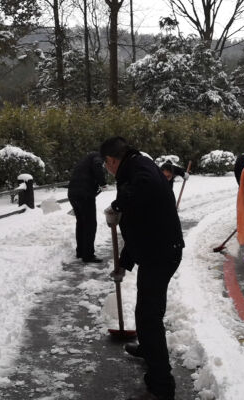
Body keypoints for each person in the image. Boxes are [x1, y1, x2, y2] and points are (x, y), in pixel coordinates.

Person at [100, 137, 184, 400]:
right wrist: (125, 263)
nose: (107, 169)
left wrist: (117, 206)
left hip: (161, 253)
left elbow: (143, 188)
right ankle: (148, 350)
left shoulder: (139, 169)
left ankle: (162, 385)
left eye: (106, 164)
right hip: (155, 250)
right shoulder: (137, 166)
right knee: (145, 310)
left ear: (111, 160)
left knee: (150, 317)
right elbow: (140, 225)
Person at [67, 152, 106, 263]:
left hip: (73, 193)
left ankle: (80, 252)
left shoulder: (85, 160)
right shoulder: (97, 157)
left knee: (81, 223)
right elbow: (97, 166)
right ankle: (88, 255)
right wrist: (103, 183)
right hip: (84, 194)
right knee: (90, 224)